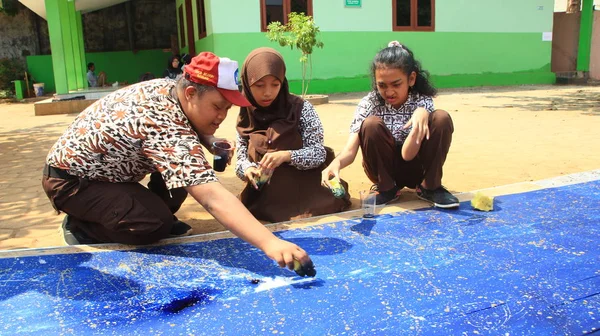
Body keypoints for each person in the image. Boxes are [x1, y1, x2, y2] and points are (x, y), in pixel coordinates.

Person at [42, 52, 313, 271]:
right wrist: (271, 243)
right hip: (73, 184)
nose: (222, 116)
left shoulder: (169, 89)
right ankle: (82, 225)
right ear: (191, 94)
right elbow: (211, 197)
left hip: (106, 175)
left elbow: (187, 131)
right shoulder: (162, 122)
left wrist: (208, 140)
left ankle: (141, 210)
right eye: (217, 107)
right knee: (153, 225)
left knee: (185, 167)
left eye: (227, 109)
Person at [321, 41, 459, 208]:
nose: (389, 92)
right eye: (382, 85)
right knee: (370, 124)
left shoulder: (422, 101)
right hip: (384, 170)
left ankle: (430, 186)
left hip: (417, 166)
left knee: (441, 118)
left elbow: (408, 155)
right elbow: (350, 150)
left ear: (411, 79)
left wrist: (420, 116)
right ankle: (386, 188)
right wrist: (335, 164)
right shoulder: (369, 103)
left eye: (396, 84)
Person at [236, 47, 350, 222]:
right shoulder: (246, 113)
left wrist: (287, 156)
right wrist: (248, 169)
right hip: (264, 201)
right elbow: (240, 160)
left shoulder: (301, 108)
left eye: (275, 84)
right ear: (247, 83)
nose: (268, 92)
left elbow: (318, 153)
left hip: (309, 195)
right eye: (259, 85)